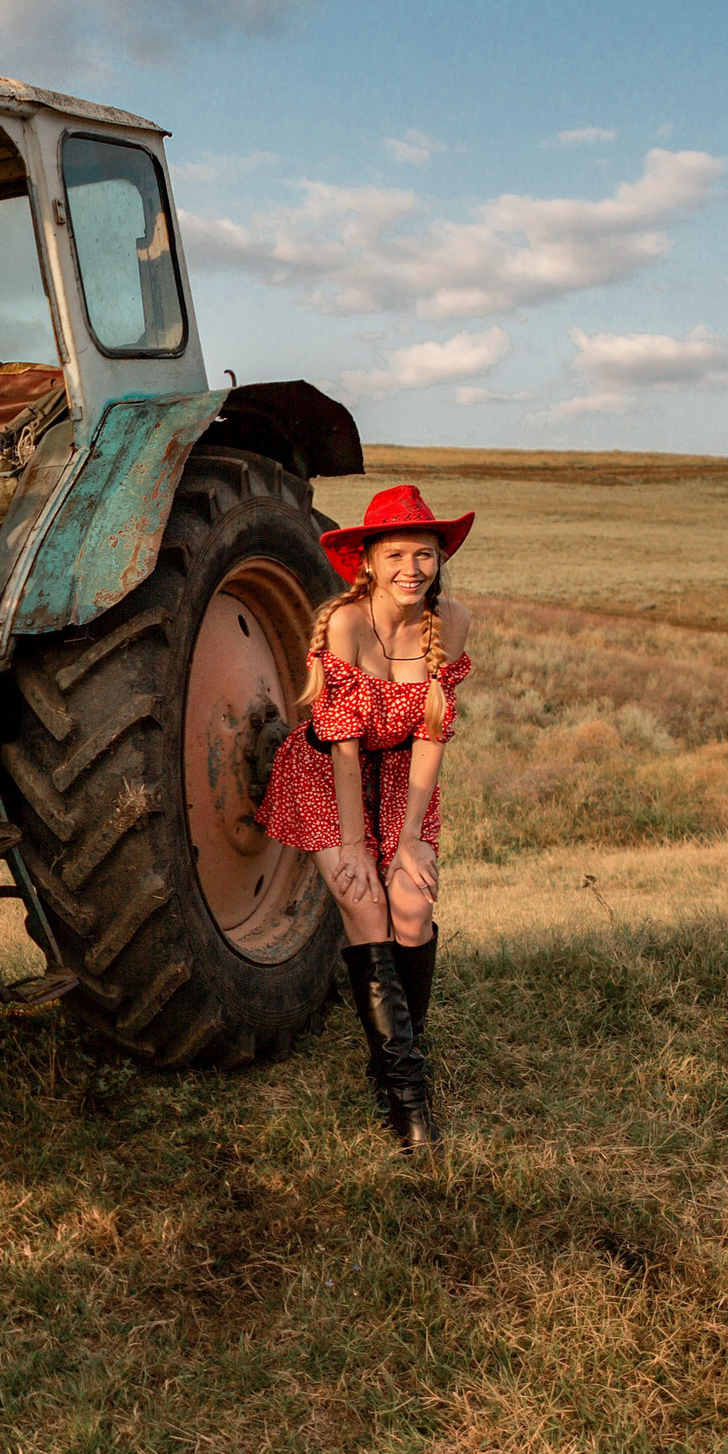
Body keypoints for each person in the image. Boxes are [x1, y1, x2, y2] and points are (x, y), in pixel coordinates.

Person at [257, 486, 474, 1155]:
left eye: (426, 555)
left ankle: (393, 1061)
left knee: (411, 903)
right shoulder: (347, 623)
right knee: (363, 900)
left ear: (440, 561)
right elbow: (344, 742)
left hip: (403, 777)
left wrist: (409, 837)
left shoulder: (453, 621)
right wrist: (354, 845)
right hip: (331, 772)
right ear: (370, 563)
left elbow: (433, 732)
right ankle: (413, 1112)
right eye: (398, 555)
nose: (413, 569)